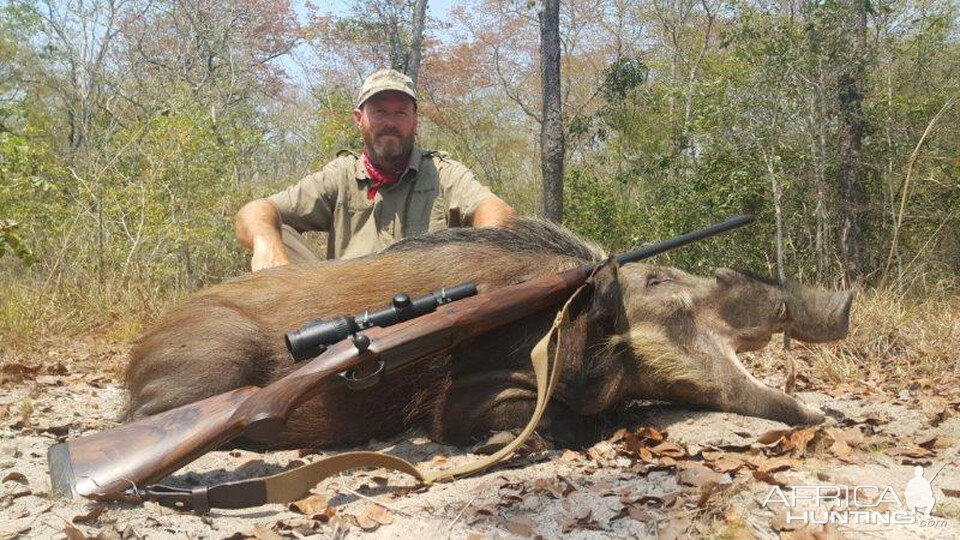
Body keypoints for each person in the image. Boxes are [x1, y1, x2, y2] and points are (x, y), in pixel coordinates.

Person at [235, 69, 516, 271]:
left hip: (430, 310)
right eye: (379, 112)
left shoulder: (442, 172)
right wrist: (266, 244)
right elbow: (255, 211)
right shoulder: (340, 175)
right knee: (275, 230)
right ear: (359, 119)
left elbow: (495, 209)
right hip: (344, 306)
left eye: (401, 112)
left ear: (414, 119)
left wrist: (482, 257)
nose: (390, 122)